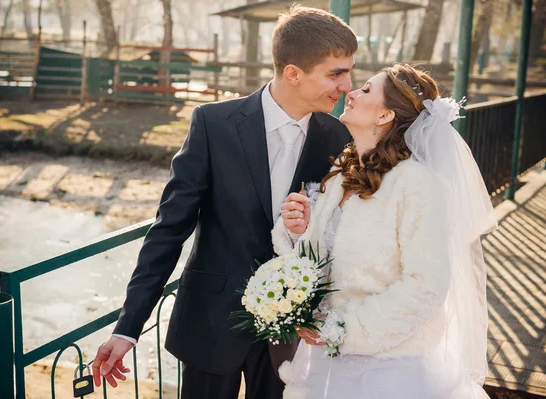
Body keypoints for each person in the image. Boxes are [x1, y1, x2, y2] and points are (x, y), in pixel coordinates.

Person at [92, 5, 356, 399]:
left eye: (349, 72)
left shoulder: (338, 137)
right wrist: (128, 327)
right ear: (293, 73)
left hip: (293, 339)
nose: (347, 85)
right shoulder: (212, 124)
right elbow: (168, 230)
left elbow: (341, 235)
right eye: (336, 73)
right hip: (210, 327)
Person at [274, 63, 498, 398]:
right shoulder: (341, 172)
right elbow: (326, 259)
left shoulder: (416, 184)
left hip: (389, 368)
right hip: (325, 358)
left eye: (365, 90)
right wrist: (299, 231)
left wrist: (342, 328)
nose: (351, 92)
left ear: (384, 116)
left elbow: (426, 286)